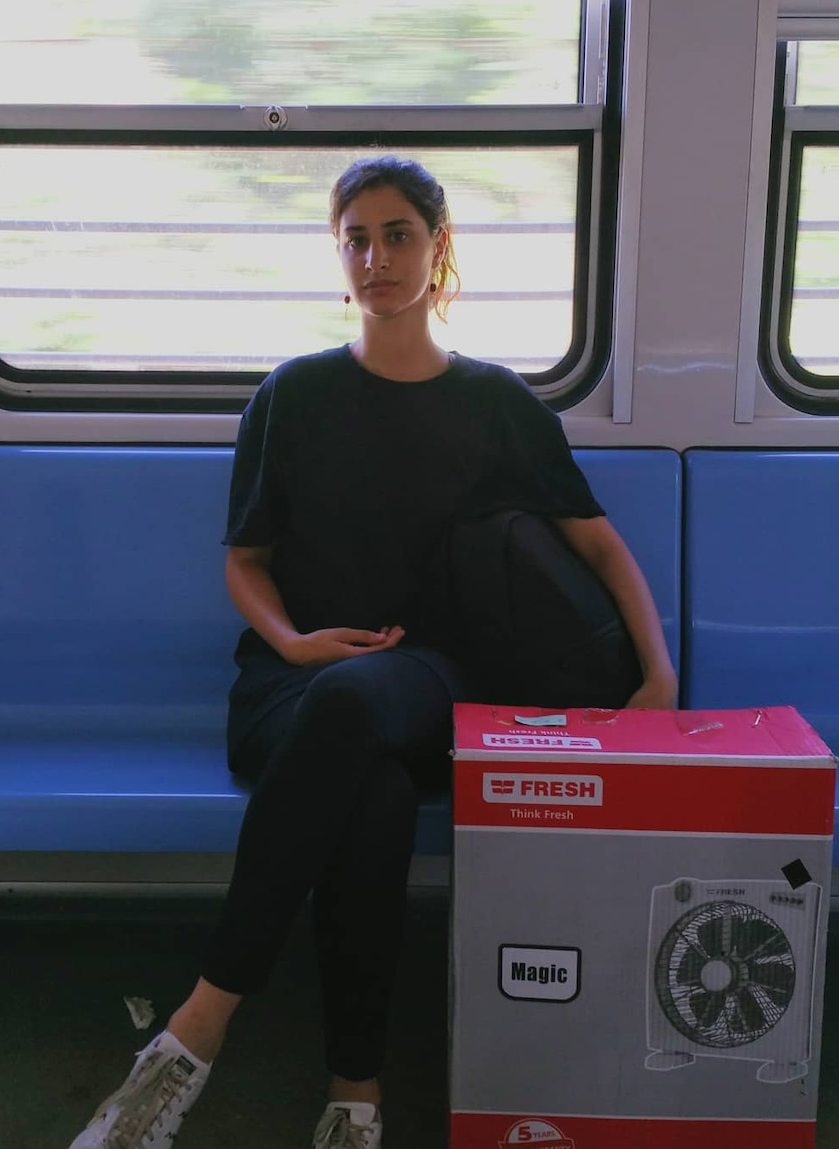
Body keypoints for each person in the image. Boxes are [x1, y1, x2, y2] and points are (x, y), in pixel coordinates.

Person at [67, 155, 677, 1149]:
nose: (376, 255)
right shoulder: (294, 395)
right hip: (288, 686)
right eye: (356, 237)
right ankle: (355, 1098)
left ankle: (192, 1034)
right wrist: (295, 643)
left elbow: (596, 541)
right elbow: (246, 562)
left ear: (438, 250)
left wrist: (659, 676)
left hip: (428, 679)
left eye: (398, 234)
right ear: (336, 256)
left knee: (359, 711)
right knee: (374, 791)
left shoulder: (496, 403)